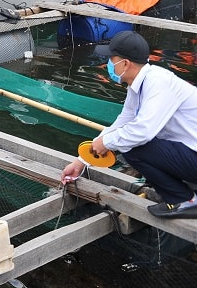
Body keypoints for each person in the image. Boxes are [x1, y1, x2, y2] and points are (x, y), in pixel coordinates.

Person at [60, 31, 197, 218]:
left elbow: (143, 131)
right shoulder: (138, 85)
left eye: (111, 59)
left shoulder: (158, 83)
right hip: (189, 151)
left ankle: (183, 199)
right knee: (124, 140)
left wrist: (107, 143)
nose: (108, 64)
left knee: (132, 147)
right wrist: (82, 160)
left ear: (125, 63)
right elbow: (123, 122)